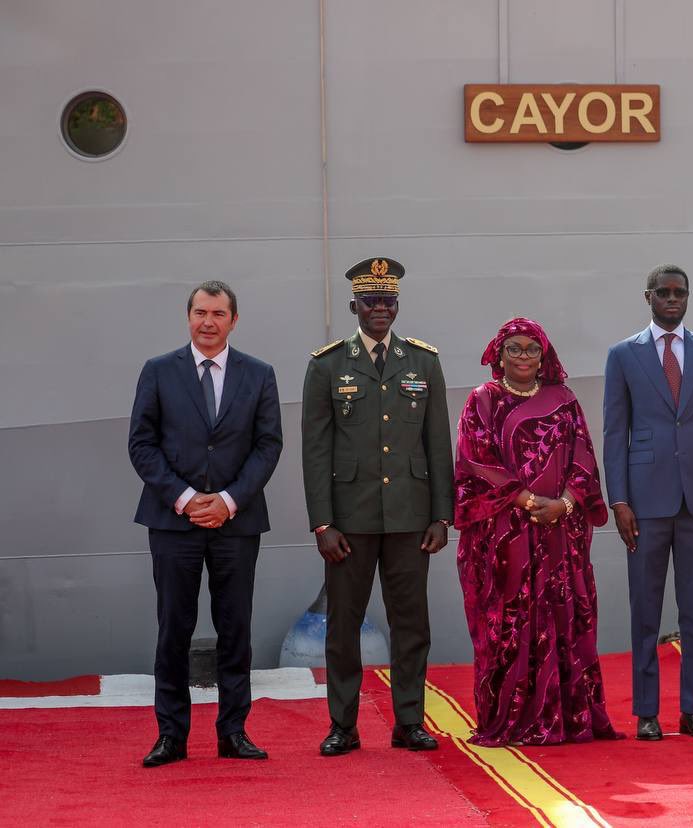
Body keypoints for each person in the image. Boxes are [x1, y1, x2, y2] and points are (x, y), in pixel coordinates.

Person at [301, 257, 454, 756]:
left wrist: (441, 515)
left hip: (411, 517)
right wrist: (322, 522)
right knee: (343, 624)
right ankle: (343, 725)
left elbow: (437, 444)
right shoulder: (326, 365)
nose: (381, 309)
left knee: (412, 623)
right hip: (350, 520)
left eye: (389, 301)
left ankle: (408, 721)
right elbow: (316, 449)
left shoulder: (423, 361)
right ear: (354, 307)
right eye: (371, 301)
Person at [128, 280, 283, 767]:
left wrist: (230, 500)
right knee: (173, 628)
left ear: (234, 320)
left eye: (218, 313)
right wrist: (189, 498)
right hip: (174, 524)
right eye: (200, 312)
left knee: (236, 630)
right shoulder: (158, 372)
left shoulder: (259, 375)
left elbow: (268, 446)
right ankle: (171, 735)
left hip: (236, 525)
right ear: (188, 316)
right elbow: (142, 445)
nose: (208, 322)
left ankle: (232, 731)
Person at [453, 317, 620, 747]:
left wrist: (563, 504)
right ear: (499, 355)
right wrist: (529, 502)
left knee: (563, 620)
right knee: (508, 625)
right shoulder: (482, 401)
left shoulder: (564, 400)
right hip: (504, 537)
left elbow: (584, 458)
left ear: (543, 355)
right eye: (515, 349)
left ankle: (568, 717)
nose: (523, 356)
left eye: (531, 349)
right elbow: (476, 463)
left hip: (560, 534)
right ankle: (510, 719)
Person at [603, 264, 693, 741]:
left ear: (688, 296)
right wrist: (618, 499)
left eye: (679, 292)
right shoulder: (623, 355)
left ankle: (692, 709)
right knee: (645, 608)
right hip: (643, 502)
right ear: (648, 297)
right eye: (662, 292)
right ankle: (646, 712)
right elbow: (614, 432)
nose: (672, 299)